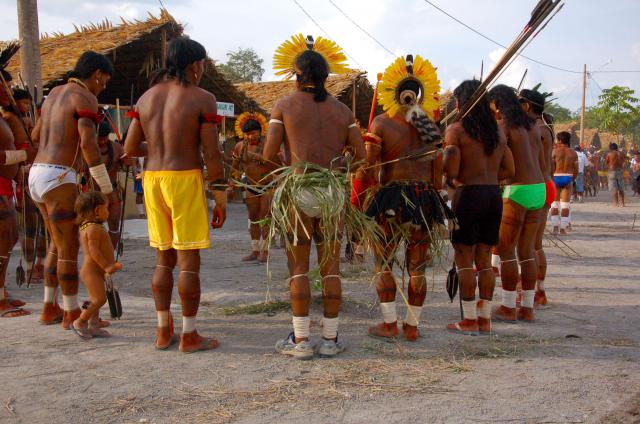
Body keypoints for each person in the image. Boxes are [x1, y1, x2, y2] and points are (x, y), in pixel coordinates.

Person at [263, 34, 365, 359]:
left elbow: (267, 156)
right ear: (325, 77)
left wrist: (288, 161)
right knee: (331, 268)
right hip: (333, 193)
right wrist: (341, 159)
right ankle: (331, 340)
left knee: (299, 269)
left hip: (299, 190)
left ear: (297, 75)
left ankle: (301, 340)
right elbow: (361, 158)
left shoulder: (284, 105)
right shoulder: (342, 110)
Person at [124, 37, 227, 353]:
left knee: (163, 258)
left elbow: (129, 150)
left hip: (153, 179)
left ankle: (162, 329)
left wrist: (158, 146)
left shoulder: (146, 98)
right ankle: (189, 334)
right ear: (196, 65)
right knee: (189, 260)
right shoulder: (202, 98)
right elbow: (212, 155)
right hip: (184, 179)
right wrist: (220, 195)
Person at [351, 54, 449, 341]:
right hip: (423, 198)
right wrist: (433, 195)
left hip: (390, 199)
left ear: (392, 92)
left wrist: (358, 199)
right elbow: (437, 171)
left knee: (383, 263)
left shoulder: (381, 123)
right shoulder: (429, 125)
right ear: (419, 93)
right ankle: (412, 326)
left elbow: (369, 168)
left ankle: (390, 323)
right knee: (417, 267)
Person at [29, 51, 114, 328]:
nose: (101, 88)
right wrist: (105, 186)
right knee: (68, 249)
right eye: (103, 84)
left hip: (37, 173)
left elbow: (34, 135)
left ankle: (48, 307)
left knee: (55, 243)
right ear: (97, 75)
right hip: (59, 176)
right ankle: (71, 313)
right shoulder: (85, 97)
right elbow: (88, 144)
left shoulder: (53, 94)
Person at [443, 80, 514, 335]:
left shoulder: (457, 130)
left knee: (464, 259)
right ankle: (485, 320)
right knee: (484, 260)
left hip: (468, 195)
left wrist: (458, 177)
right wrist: (489, 176)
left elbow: (451, 170)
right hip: (493, 195)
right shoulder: (497, 133)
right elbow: (510, 170)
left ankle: (469, 319)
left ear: (461, 103)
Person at [489, 85, 546, 323]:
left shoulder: (505, 126)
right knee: (527, 251)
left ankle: (508, 306)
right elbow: (542, 162)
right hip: (538, 189)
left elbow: (495, 160)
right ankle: (528, 308)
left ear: (497, 104)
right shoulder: (533, 126)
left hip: (517, 190)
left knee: (506, 250)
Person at [2, 87, 45, 283]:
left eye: (29, 103)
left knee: (38, 223)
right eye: (24, 103)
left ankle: (39, 264)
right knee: (28, 225)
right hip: (20, 175)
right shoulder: (9, 117)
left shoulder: (19, 119)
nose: (26, 106)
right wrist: (23, 160)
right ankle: (29, 268)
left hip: (30, 172)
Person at [0, 66, 34, 317]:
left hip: (6, 184)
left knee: (8, 238)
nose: (9, 92)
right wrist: (23, 155)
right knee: (3, 237)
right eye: (7, 87)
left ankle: (1, 293)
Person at [519, 89, 554, 308]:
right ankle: (539, 291)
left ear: (526, 107)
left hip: (537, 186)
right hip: (545, 184)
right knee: (536, 245)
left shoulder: (536, 129)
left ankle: (531, 294)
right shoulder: (544, 128)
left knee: (528, 246)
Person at [72, 191, 121, 339]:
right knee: (99, 299)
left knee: (96, 297)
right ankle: (80, 321)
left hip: (96, 271)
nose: (108, 211)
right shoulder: (93, 229)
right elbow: (93, 251)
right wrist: (106, 266)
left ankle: (94, 323)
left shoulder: (91, 226)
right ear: (97, 210)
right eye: (106, 208)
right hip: (91, 271)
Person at [230, 112, 272, 262]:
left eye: (253, 133)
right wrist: (232, 182)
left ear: (260, 132)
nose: (250, 137)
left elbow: (280, 164)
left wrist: (262, 158)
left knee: (265, 217)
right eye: (247, 134)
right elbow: (235, 167)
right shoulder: (240, 146)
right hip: (251, 186)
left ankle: (265, 251)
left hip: (268, 186)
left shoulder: (269, 144)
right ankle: (255, 250)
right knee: (253, 217)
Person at [95, 121, 127, 249]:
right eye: (100, 138)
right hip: (94, 194)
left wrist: (127, 163)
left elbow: (124, 166)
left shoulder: (116, 147)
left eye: (105, 138)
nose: (103, 141)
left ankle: (111, 255)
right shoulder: (87, 148)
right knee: (95, 226)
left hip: (113, 192)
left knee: (114, 224)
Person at [550, 132, 578, 235]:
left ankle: (555, 228)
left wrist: (551, 178)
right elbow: (576, 170)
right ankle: (562, 229)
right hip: (568, 177)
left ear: (560, 140)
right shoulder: (573, 153)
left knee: (555, 205)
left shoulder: (554, 152)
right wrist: (572, 179)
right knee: (565, 205)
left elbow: (551, 167)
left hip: (556, 177)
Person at [606, 142, 626, 207]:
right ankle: (622, 203)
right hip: (620, 171)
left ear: (611, 148)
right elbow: (624, 163)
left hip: (612, 172)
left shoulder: (609, 154)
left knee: (614, 188)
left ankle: (615, 203)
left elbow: (607, 163)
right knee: (621, 188)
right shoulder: (622, 154)